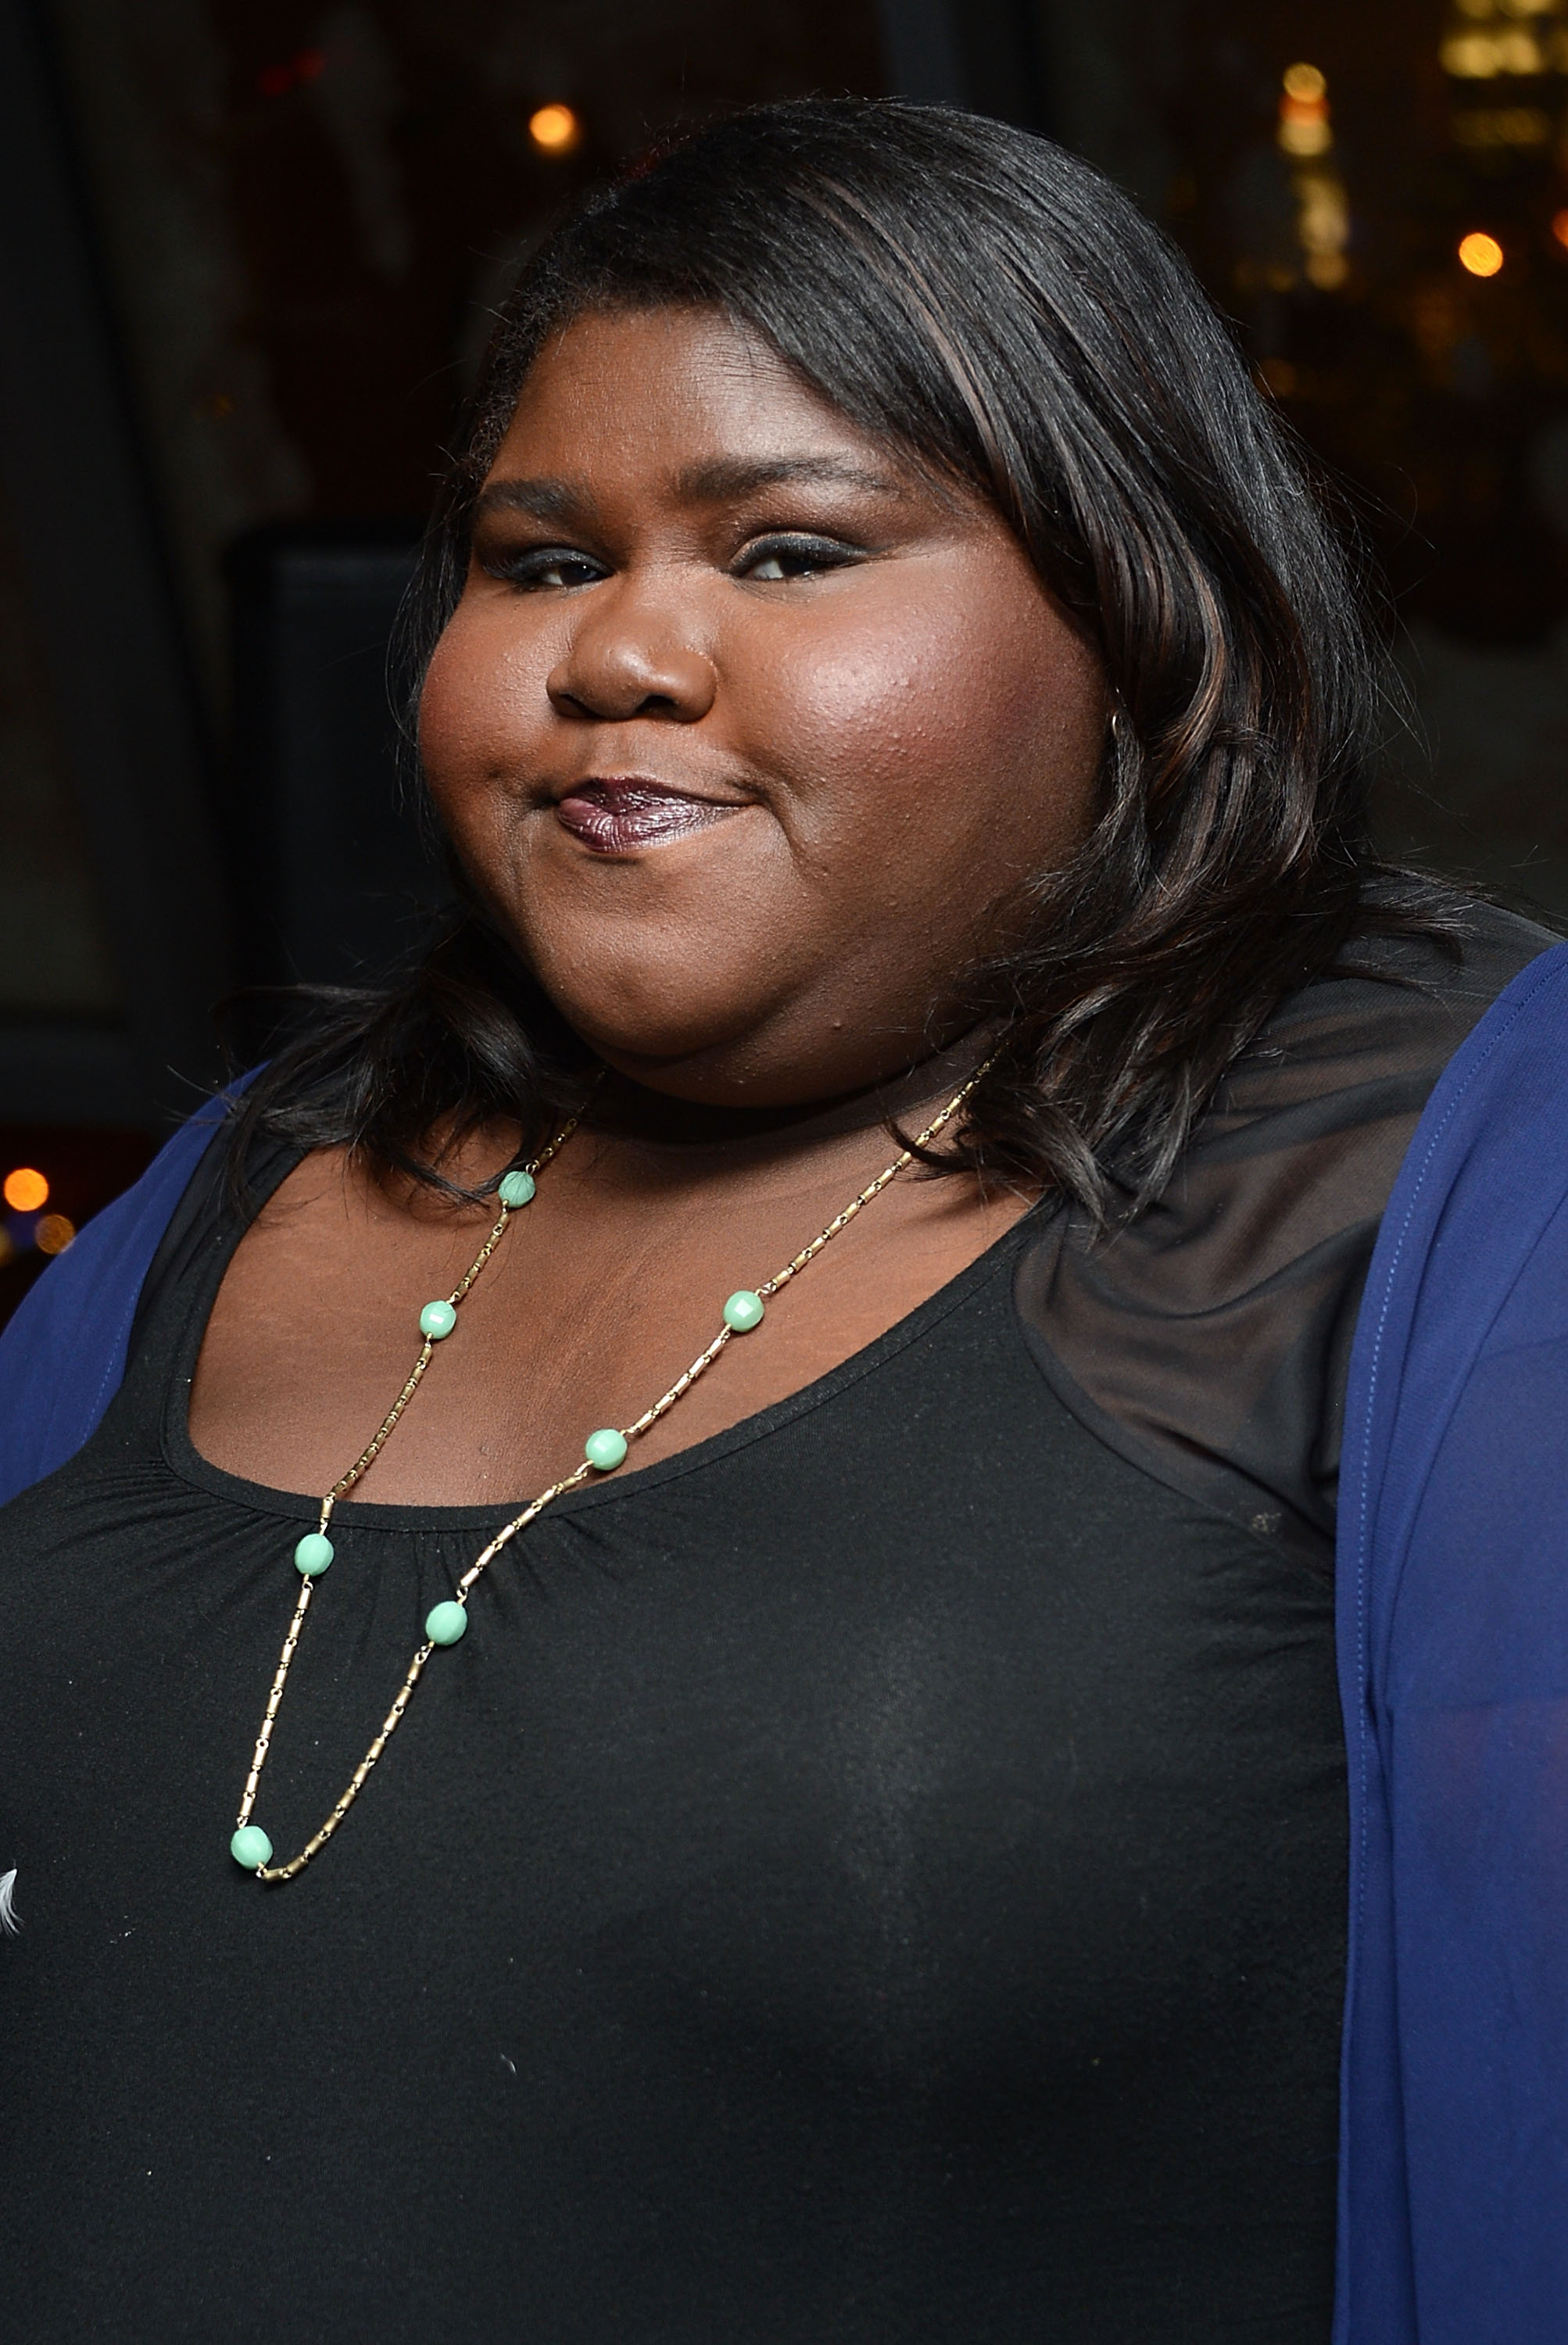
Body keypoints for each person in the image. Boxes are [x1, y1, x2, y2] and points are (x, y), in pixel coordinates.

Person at [0, 99, 1552, 2344]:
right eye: (539, 560)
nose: (621, 651)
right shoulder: (242, 1173)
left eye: (790, 552)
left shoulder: (1454, 1190)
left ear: (1151, 629)